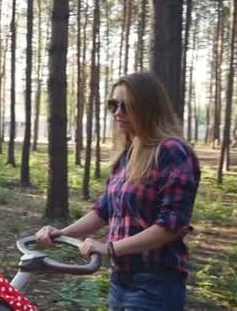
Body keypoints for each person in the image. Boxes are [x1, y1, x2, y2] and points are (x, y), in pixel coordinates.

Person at [35, 72, 200, 310]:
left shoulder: (172, 152)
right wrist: (61, 234)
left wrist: (109, 248)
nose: (117, 112)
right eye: (113, 104)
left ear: (149, 107)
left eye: (127, 105)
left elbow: (171, 226)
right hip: (120, 280)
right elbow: (103, 211)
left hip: (156, 283)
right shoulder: (128, 154)